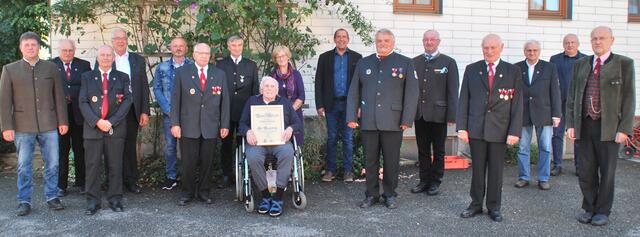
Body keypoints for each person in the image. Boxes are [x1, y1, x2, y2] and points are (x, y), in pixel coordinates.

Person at [566, 26, 635, 226]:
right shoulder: (581, 64)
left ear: (611, 40)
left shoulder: (624, 64)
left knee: (607, 172)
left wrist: (624, 128)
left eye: (602, 38)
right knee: (586, 171)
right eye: (594, 38)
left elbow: (629, 99)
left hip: (610, 128)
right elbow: (572, 95)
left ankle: (603, 211)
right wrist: (571, 123)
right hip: (585, 125)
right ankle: (589, 207)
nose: (598, 41)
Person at [346, 28, 419, 209]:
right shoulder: (364, 63)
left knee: (391, 160)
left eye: (386, 41)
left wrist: (406, 119)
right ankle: (371, 194)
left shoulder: (405, 63)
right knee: (370, 160)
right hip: (369, 121)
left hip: (394, 121)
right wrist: (351, 116)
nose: (383, 44)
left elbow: (411, 93)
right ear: (375, 43)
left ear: (393, 43)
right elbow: (354, 91)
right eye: (379, 41)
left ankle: (389, 194)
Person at [1, 32, 69, 216]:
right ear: (21, 47)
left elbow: (59, 97)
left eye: (34, 44)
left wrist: (63, 120)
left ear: (39, 47)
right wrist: (6, 126)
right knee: (24, 165)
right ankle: (24, 201)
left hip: (49, 124)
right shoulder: (10, 70)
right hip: (22, 126)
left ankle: (52, 196)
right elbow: (5, 101)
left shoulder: (51, 68)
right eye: (27, 45)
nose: (31, 47)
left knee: (53, 163)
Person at [457, 34, 523, 222]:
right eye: (486, 47)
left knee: (496, 171)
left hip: (500, 130)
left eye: (493, 47)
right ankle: (476, 204)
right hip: (476, 129)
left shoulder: (513, 71)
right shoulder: (472, 69)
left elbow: (517, 105)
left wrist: (514, 131)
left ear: (501, 47)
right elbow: (464, 100)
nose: (489, 51)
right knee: (477, 170)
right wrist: (462, 127)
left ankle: (494, 206)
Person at [171, 43, 230, 206]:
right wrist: (175, 123)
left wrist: (224, 124)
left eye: (206, 53)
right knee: (188, 162)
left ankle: (204, 192)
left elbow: (225, 102)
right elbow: (175, 100)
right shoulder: (182, 73)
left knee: (207, 161)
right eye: (200, 53)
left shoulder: (219, 74)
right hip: (188, 125)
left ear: (210, 55)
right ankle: (187, 192)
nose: (204, 56)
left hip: (210, 126)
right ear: (194, 55)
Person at [79, 45, 133, 215]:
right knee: (93, 166)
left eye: (109, 55)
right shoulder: (87, 77)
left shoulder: (122, 77)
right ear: (97, 58)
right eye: (102, 55)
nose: (106, 58)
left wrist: (111, 122)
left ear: (114, 58)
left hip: (114, 129)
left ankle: (115, 199)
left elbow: (127, 101)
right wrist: (97, 121)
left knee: (115, 165)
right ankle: (93, 202)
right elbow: (83, 102)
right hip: (93, 129)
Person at [239, 76, 302, 217]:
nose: (269, 89)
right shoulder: (252, 102)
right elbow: (242, 123)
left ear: (277, 90)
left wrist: (290, 129)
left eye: (272, 86)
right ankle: (266, 195)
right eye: (266, 86)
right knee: (253, 156)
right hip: (258, 143)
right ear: (261, 88)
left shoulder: (284, 103)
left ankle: (278, 197)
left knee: (287, 153)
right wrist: (248, 131)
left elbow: (297, 123)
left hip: (280, 142)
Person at [410, 30, 459, 196]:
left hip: (439, 114)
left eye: (432, 40)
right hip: (420, 114)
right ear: (423, 42)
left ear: (438, 41)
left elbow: (453, 91)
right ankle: (424, 180)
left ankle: (435, 181)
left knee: (438, 150)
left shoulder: (448, 63)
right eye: (426, 40)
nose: (429, 42)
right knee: (422, 149)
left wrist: (452, 115)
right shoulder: (414, 62)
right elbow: (410, 90)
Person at [314, 29, 362, 183]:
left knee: (348, 139)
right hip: (331, 104)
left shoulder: (357, 58)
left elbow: (361, 84)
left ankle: (348, 172)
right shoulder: (325, 58)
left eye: (344, 37)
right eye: (338, 37)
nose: (341, 39)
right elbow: (318, 82)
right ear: (334, 39)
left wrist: (359, 106)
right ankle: (330, 171)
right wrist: (319, 104)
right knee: (332, 138)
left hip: (350, 105)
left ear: (348, 39)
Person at [514, 40, 561, 190]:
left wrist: (556, 114)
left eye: (535, 50)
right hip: (523, 113)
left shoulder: (549, 68)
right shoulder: (517, 68)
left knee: (545, 147)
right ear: (524, 51)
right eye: (529, 50)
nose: (532, 53)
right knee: (523, 147)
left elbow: (555, 91)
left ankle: (543, 178)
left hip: (544, 113)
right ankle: (523, 177)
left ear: (539, 51)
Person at [216, 35, 259, 189]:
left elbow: (254, 91)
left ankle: (245, 174)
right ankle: (227, 175)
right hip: (226, 112)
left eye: (239, 45)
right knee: (226, 144)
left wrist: (253, 113)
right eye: (233, 45)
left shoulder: (251, 65)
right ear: (228, 47)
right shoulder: (220, 65)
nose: (236, 48)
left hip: (244, 112)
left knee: (244, 143)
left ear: (243, 46)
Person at [111, 28, 151, 194]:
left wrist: (144, 111)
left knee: (129, 146)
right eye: (117, 38)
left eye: (123, 38)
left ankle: (132, 181)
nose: (121, 41)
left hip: (132, 109)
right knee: (113, 147)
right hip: (112, 112)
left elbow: (143, 86)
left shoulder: (137, 60)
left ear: (127, 40)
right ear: (112, 41)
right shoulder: (106, 57)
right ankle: (115, 182)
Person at [52, 39, 92, 196]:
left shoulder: (84, 65)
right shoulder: (51, 65)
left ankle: (82, 183)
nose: (67, 53)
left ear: (74, 50)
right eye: (64, 50)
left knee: (80, 150)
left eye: (70, 50)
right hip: (60, 116)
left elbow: (88, 88)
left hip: (79, 115)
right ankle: (61, 186)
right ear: (59, 50)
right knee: (61, 151)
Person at [152, 37, 192, 190]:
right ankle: (171, 177)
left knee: (189, 147)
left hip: (189, 115)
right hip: (169, 114)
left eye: (181, 46)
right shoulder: (162, 68)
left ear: (186, 48)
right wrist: (168, 109)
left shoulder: (192, 67)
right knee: (170, 146)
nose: (178, 48)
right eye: (175, 46)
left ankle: (188, 177)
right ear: (171, 48)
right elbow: (157, 89)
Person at [549, 34, 586, 176]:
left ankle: (579, 166)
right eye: (567, 42)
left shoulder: (585, 59)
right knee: (557, 135)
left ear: (578, 44)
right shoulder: (555, 59)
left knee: (578, 136)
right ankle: (557, 165)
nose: (570, 45)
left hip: (578, 104)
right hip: (560, 103)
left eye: (572, 42)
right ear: (563, 44)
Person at [270, 46, 305, 146]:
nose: (281, 59)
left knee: (295, 143)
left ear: (288, 57)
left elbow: (301, 96)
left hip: (294, 112)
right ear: (275, 59)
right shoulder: (272, 75)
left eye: (283, 56)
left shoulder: (296, 75)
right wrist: (282, 113)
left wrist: (290, 111)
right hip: (277, 114)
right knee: (279, 142)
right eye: (278, 56)